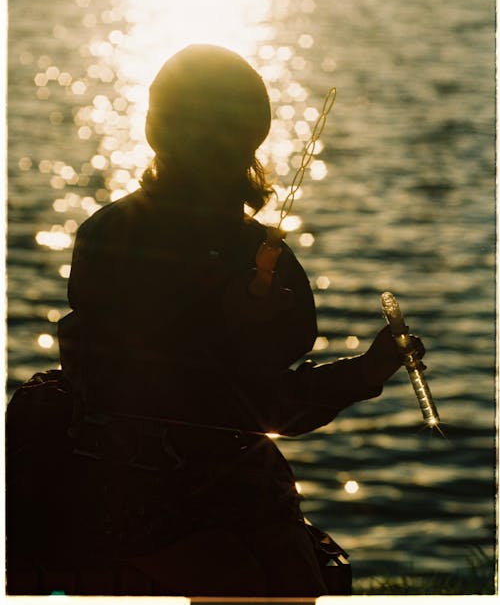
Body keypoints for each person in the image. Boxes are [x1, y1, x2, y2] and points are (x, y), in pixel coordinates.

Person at [8, 44, 415, 596]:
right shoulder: (130, 241)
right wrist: (354, 368)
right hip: (145, 493)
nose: (210, 149)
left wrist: (369, 368)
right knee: (258, 577)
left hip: (170, 485)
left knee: (290, 571)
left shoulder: (233, 254)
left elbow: (253, 402)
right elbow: (239, 403)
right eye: (202, 131)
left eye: (223, 133)